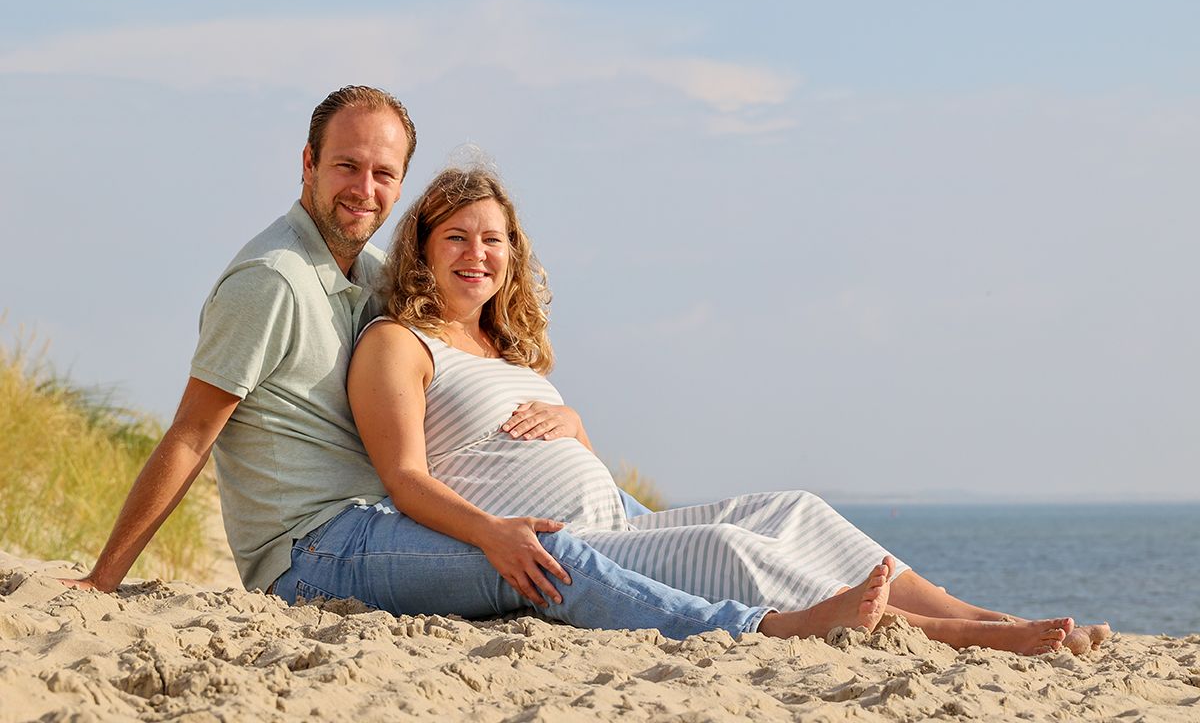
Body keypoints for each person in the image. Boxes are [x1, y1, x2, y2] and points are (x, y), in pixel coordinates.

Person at [61, 85, 897, 644]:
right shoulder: (271, 281)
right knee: (546, 564)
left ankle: (917, 612)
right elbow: (190, 435)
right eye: (346, 165)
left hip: (382, 523)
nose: (365, 187)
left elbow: (468, 321)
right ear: (307, 164)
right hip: (312, 551)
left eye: (384, 173)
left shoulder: (370, 267)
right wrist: (102, 583)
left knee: (723, 520)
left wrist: (563, 419)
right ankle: (767, 631)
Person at [346, 165, 1111, 656]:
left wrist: (576, 427)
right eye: (457, 238)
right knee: (726, 547)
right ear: (424, 247)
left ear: (513, 252)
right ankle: (955, 636)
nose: (477, 254)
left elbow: (538, 447)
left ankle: (984, 614)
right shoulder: (400, 343)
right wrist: (489, 532)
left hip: (621, 520)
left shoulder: (505, 347)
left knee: (795, 508)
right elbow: (404, 477)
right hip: (577, 552)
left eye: (493, 239)